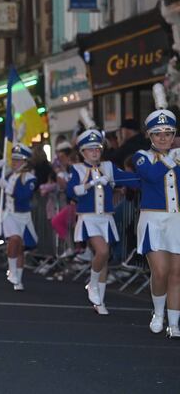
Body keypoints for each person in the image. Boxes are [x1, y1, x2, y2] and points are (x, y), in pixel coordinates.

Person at [67, 109, 139, 315]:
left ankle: (100, 300)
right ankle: (92, 284)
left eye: (97, 149)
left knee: (103, 258)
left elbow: (130, 179)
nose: (95, 152)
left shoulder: (108, 166)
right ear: (82, 152)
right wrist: (92, 183)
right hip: (88, 219)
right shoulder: (78, 170)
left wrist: (152, 178)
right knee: (103, 251)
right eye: (90, 149)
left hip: (106, 218)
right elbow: (72, 191)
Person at [134, 83, 180, 337]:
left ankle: (174, 324)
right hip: (152, 220)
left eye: (168, 133)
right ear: (149, 136)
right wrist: (172, 158)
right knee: (160, 271)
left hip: (177, 220)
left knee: (177, 274)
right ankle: (158, 313)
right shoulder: (141, 156)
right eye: (158, 134)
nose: (164, 138)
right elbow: (151, 176)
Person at [0, 141, 39, 291]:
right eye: (13, 159)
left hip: (23, 216)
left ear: (25, 161)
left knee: (20, 247)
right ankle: (12, 269)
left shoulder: (30, 178)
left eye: (18, 159)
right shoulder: (8, 174)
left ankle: (18, 279)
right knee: (14, 239)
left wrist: (7, 187)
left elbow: (24, 196)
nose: (15, 162)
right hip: (9, 215)